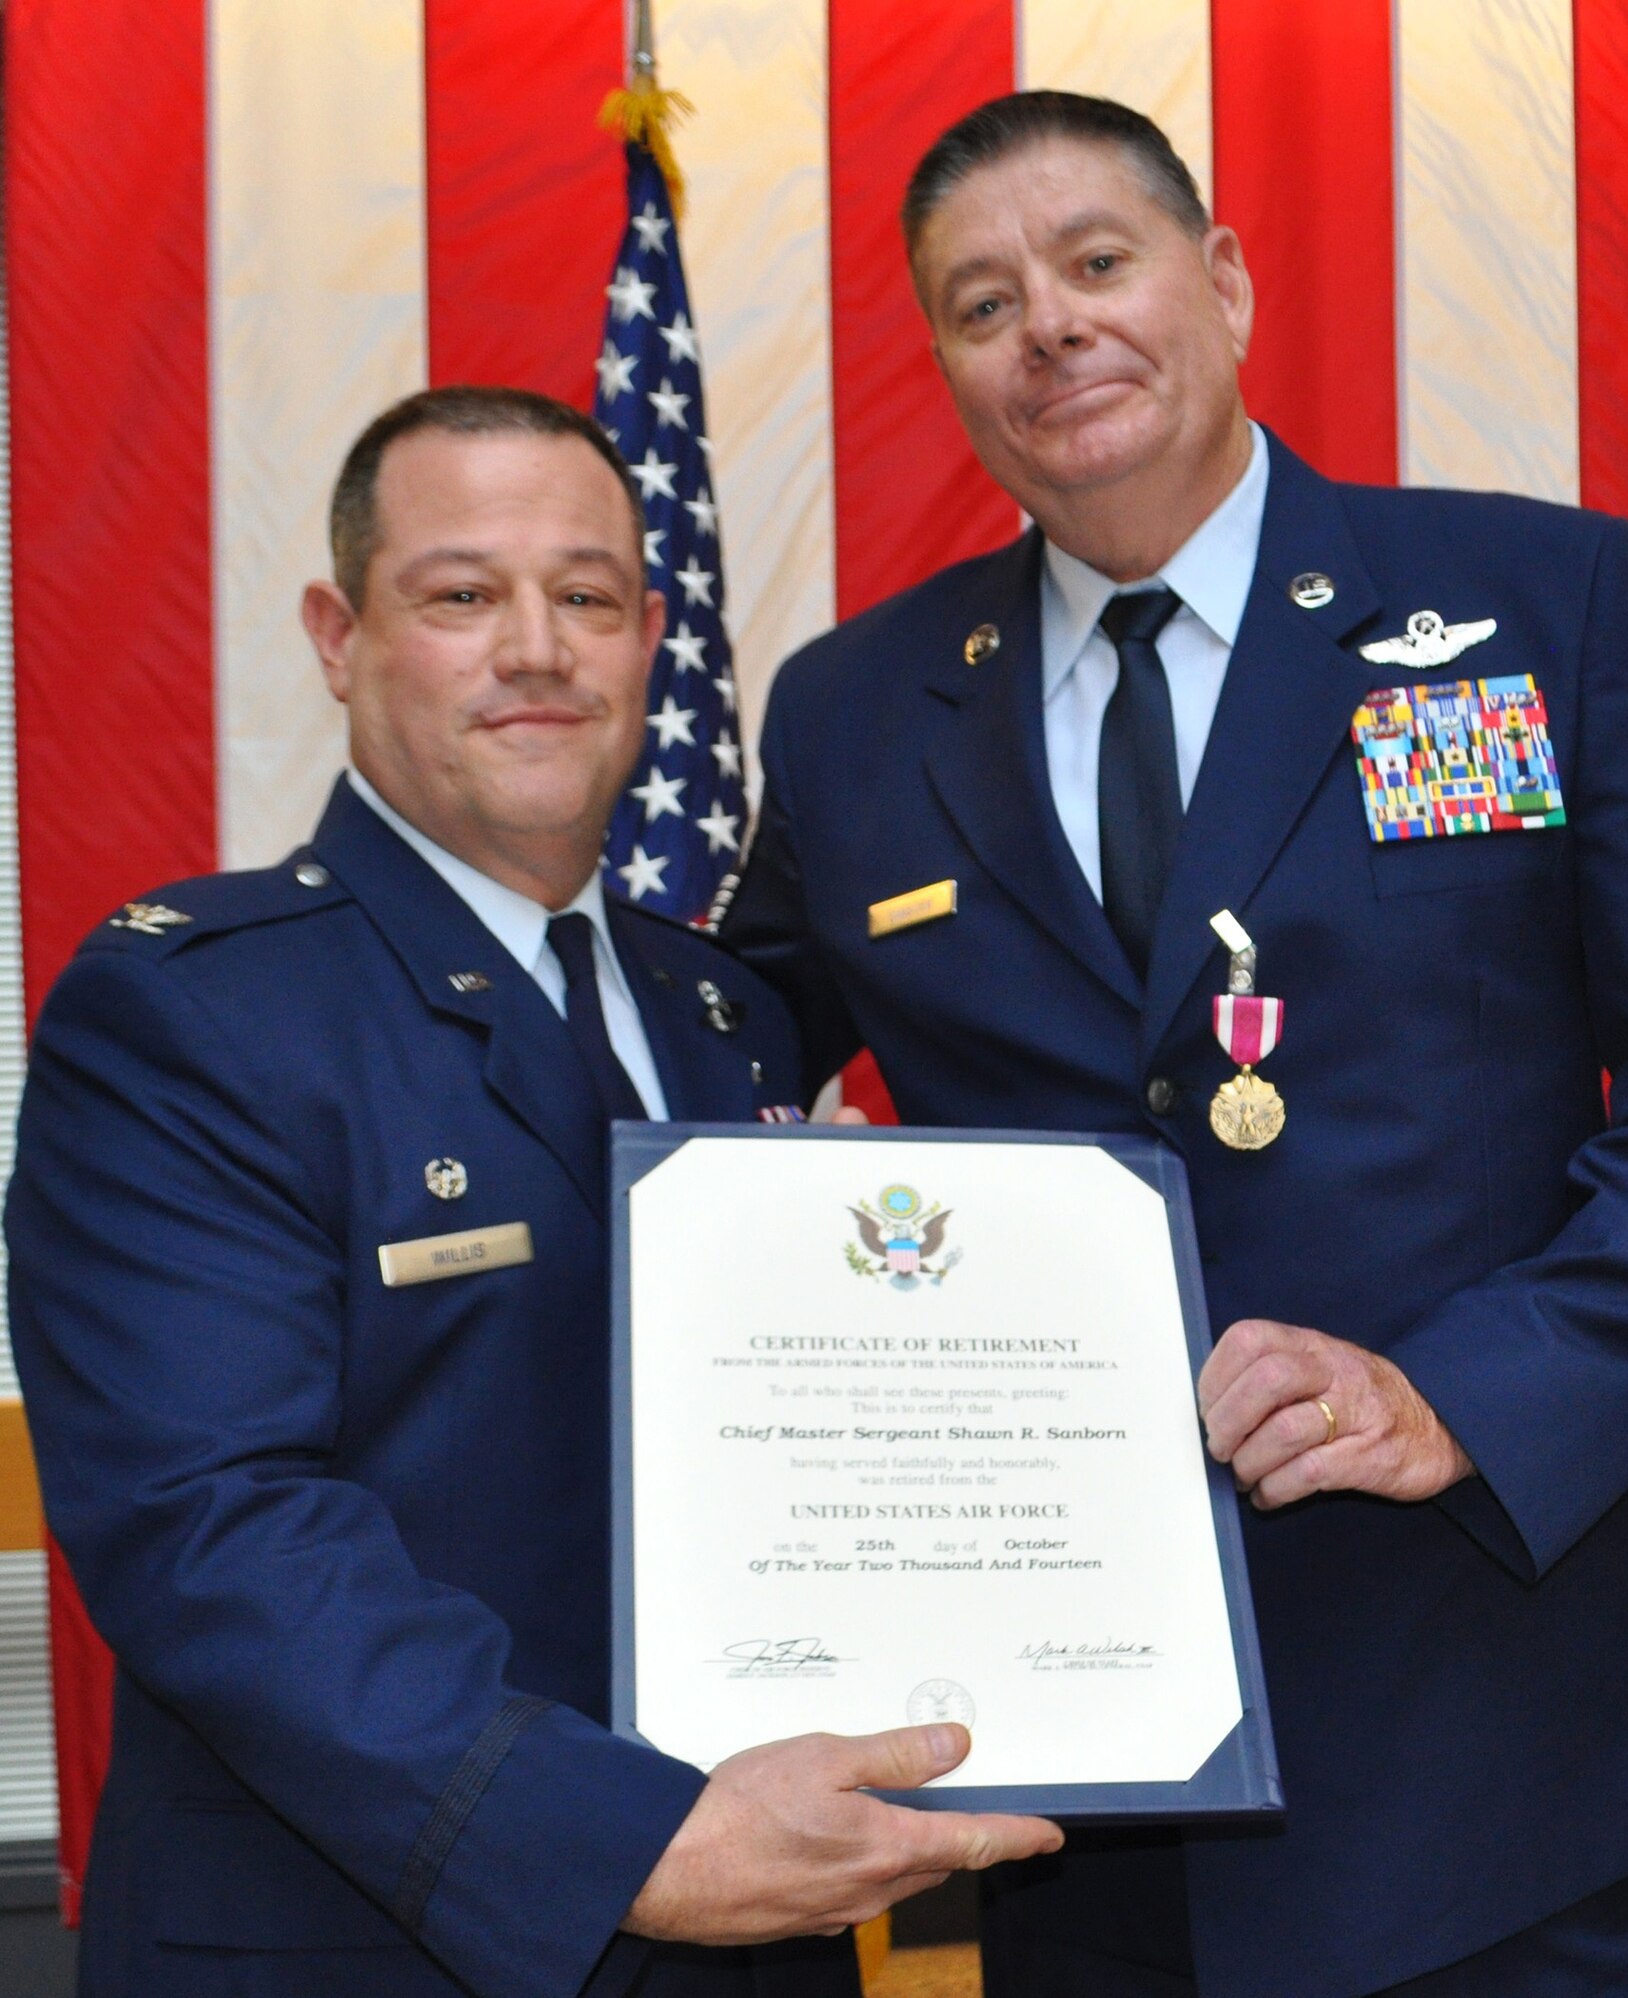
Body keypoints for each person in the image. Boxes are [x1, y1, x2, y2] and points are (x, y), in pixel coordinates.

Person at [721, 94, 1628, 1998]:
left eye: (1099, 262)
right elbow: (722, 1066)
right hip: (1075, 1752)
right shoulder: (855, 716)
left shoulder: (1538, 605)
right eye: (983, 302)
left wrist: (1459, 1392)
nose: (1053, 328)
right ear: (945, 364)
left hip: (1488, 1709)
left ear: (1224, 281)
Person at [5, 387, 1059, 1998]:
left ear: (649, 638)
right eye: (460, 594)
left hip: (761, 1932)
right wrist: (623, 1838)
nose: (536, 648)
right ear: (338, 634)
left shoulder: (729, 1014)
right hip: (360, 1939)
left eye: (582, 596)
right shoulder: (192, 1012)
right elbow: (214, 1528)